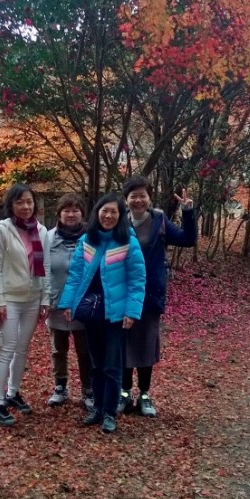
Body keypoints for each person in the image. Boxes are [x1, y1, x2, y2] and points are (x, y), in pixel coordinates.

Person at [58, 192, 146, 434]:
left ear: (120, 215)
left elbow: (137, 279)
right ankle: (96, 408)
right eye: (104, 211)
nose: (108, 216)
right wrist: (68, 304)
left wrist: (132, 311)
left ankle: (109, 412)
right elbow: (76, 274)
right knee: (96, 364)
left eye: (114, 212)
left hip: (116, 315)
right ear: (97, 213)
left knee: (112, 366)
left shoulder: (128, 240)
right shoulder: (89, 239)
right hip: (92, 313)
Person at [119, 176, 196, 417]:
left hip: (151, 291)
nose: (138, 200)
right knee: (124, 344)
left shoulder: (159, 220)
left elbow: (188, 239)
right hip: (123, 292)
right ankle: (124, 393)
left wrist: (188, 212)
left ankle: (144, 394)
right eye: (134, 196)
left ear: (149, 198)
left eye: (143, 195)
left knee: (146, 343)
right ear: (126, 199)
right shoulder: (119, 221)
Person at [0, 184, 51, 426]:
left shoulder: (42, 231)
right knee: (7, 348)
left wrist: (45, 298)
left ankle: (12, 393)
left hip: (33, 298)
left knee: (22, 349)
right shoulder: (3, 230)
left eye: (29, 202)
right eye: (20, 202)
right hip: (10, 299)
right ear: (11, 205)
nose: (26, 207)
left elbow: (44, 266)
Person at [46, 194, 94, 410]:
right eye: (66, 210)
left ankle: (88, 390)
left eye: (75, 210)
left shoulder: (92, 238)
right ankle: (60, 387)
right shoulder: (48, 238)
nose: (71, 214)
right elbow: (42, 270)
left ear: (82, 214)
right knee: (58, 348)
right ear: (59, 214)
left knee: (86, 349)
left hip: (84, 305)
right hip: (56, 303)